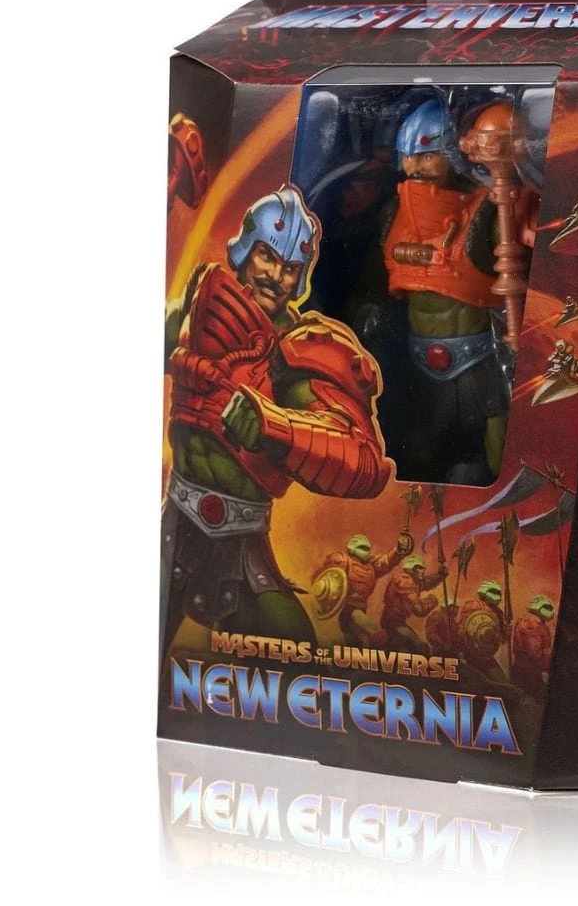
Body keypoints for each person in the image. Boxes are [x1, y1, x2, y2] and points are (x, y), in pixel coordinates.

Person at [161, 184, 392, 658]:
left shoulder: (299, 349)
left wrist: (274, 425)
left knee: (292, 653)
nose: (275, 276)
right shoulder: (200, 300)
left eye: (290, 268)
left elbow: (361, 458)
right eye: (267, 257)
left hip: (240, 545)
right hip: (173, 523)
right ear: (246, 250)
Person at [363, 97, 534, 484]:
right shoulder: (392, 214)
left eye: (426, 155)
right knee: (416, 455)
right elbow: (376, 280)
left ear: (453, 153)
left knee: (500, 448)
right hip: (418, 358)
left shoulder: (486, 209)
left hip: (481, 358)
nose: (415, 167)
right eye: (409, 156)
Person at [311, 532, 411, 645]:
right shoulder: (342, 561)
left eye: (368, 549)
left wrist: (398, 550)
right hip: (346, 608)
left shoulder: (371, 566)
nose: (366, 551)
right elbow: (325, 577)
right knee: (372, 631)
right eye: (363, 548)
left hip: (361, 607)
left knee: (354, 640)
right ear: (353, 548)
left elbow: (386, 562)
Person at [376, 554, 446, 651]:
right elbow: (419, 610)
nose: (422, 571)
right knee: (419, 647)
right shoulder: (405, 581)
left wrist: (440, 575)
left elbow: (427, 582)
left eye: (423, 568)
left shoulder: (414, 580)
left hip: (397, 621)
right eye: (419, 568)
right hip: (393, 622)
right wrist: (432, 600)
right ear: (411, 569)